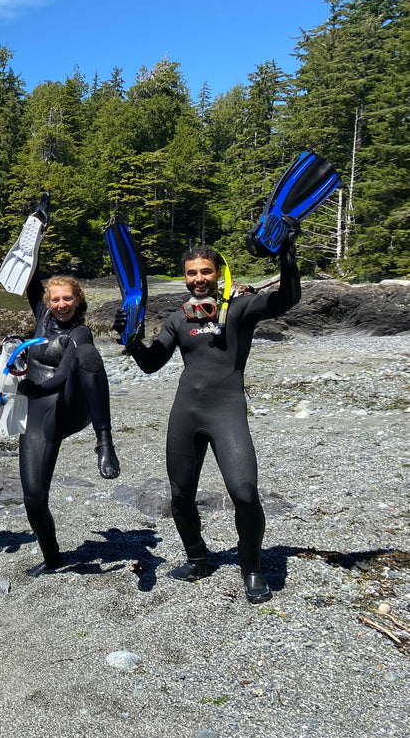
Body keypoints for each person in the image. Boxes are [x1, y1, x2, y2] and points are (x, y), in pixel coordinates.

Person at [115, 237, 300, 603]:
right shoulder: (177, 318)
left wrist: (287, 258)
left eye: (205, 271)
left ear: (218, 274)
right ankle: (197, 559)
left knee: (245, 494)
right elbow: (152, 364)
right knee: (181, 495)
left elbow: (287, 299)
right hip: (186, 412)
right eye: (191, 273)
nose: (198, 278)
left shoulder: (242, 309)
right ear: (184, 278)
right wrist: (133, 340)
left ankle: (251, 568)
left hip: (227, 410)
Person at [17, 274, 120, 576]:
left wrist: (37, 389)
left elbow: (61, 375)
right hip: (38, 415)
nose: (62, 305)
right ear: (47, 302)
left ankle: (104, 442)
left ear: (78, 300)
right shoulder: (41, 314)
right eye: (56, 299)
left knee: (87, 354)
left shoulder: (81, 332)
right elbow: (30, 271)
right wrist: (35, 226)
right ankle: (52, 558)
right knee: (33, 499)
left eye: (68, 299)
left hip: (69, 405)